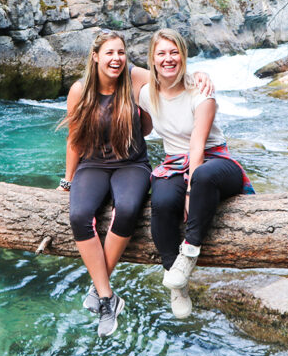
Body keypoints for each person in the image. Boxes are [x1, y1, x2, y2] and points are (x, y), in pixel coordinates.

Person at [59, 29, 214, 337]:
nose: (116, 59)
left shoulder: (135, 78)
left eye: (121, 53)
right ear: (95, 57)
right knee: (79, 216)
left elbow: (168, 73)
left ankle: (98, 290)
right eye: (109, 53)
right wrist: (67, 181)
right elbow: (74, 139)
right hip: (92, 164)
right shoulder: (80, 90)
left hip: (132, 163)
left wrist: (200, 73)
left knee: (127, 209)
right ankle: (107, 297)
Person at [136, 28, 255, 319]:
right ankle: (176, 284)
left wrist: (190, 192)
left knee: (201, 178)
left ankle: (189, 254)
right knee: (162, 203)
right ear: (152, 59)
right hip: (175, 162)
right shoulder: (145, 92)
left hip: (215, 162)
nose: (168, 59)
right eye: (161, 53)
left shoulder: (200, 92)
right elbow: (110, 65)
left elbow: (197, 147)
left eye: (174, 52)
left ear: (183, 56)